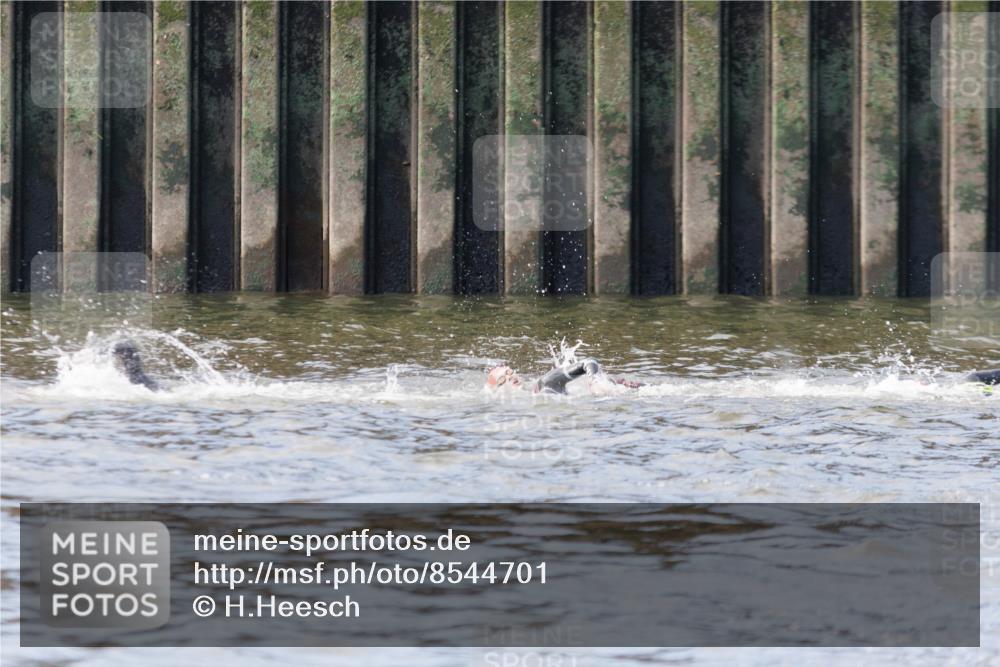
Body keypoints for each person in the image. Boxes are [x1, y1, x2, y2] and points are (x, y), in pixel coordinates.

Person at [486, 358, 642, 394]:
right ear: (497, 390)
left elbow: (588, 362)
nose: (509, 378)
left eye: (508, 373)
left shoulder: (546, 381)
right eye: (502, 380)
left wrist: (595, 381)